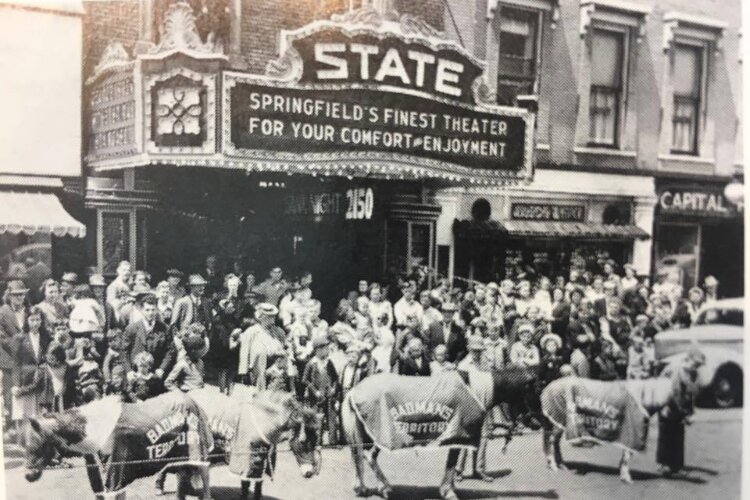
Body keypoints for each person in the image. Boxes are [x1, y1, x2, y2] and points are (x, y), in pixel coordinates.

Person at [657, 349, 706, 475]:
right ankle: (664, 465)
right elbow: (675, 394)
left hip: (679, 408)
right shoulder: (677, 370)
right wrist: (685, 414)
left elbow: (691, 395)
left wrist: (690, 412)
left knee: (678, 435)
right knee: (667, 435)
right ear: (688, 360)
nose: (697, 367)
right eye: (695, 364)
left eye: (699, 365)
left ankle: (676, 466)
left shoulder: (692, 373)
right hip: (667, 405)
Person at [11, 307, 50, 441]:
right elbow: (16, 363)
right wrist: (16, 384)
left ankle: (38, 442)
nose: (35, 323)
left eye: (38, 320)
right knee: (25, 414)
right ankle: (24, 443)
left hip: (40, 380)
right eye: (32, 320)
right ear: (27, 321)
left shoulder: (45, 337)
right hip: (25, 380)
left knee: (38, 414)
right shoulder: (20, 338)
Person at [232, 303, 286, 389]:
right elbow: (244, 352)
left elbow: (283, 347)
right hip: (256, 368)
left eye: (273, 316)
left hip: (274, 367)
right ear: (262, 317)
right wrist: (244, 372)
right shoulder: (252, 331)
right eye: (269, 317)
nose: (272, 319)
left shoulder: (277, 332)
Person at [125, 294, 175, 379]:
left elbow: (170, 351)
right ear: (141, 310)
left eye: (153, 310)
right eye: (147, 310)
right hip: (135, 373)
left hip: (156, 374)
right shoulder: (131, 328)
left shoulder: (165, 328)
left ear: (157, 310)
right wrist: (129, 371)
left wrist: (162, 369)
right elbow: (124, 351)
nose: (150, 313)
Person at [0, 280, 29, 422]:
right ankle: (11, 425)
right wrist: (15, 342)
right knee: (9, 392)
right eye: (16, 295)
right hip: (9, 358)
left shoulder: (29, 310)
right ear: (10, 296)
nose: (19, 298)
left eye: (22, 295)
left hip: (26, 358)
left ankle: (24, 424)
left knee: (25, 390)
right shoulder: (3, 311)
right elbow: (1, 336)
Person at [302, 337, 337, 444]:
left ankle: (332, 441)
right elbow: (304, 379)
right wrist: (314, 391)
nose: (327, 351)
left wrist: (333, 388)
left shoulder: (329, 362)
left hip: (328, 395)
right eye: (325, 348)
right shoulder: (311, 363)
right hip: (317, 396)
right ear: (318, 350)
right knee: (318, 418)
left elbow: (335, 378)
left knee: (331, 417)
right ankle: (317, 441)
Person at [210, 298, 241, 395]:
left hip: (233, 348)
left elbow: (238, 327)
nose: (233, 308)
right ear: (224, 308)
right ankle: (222, 390)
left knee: (232, 369)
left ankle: (230, 390)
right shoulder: (218, 319)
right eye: (230, 307)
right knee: (223, 370)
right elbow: (219, 335)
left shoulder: (234, 318)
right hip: (222, 348)